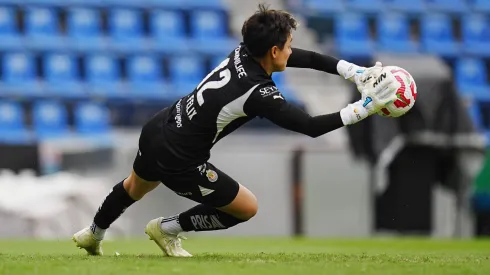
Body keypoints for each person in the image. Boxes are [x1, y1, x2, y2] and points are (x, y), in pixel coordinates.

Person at [72, 4, 397, 257]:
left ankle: (93, 233)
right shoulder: (258, 93)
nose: (291, 51)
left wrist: (353, 71)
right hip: (180, 159)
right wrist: (364, 108)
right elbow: (309, 127)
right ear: (273, 51)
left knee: (134, 186)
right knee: (246, 207)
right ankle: (168, 229)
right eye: (287, 46)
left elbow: (304, 57)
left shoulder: (244, 51)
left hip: (160, 127)